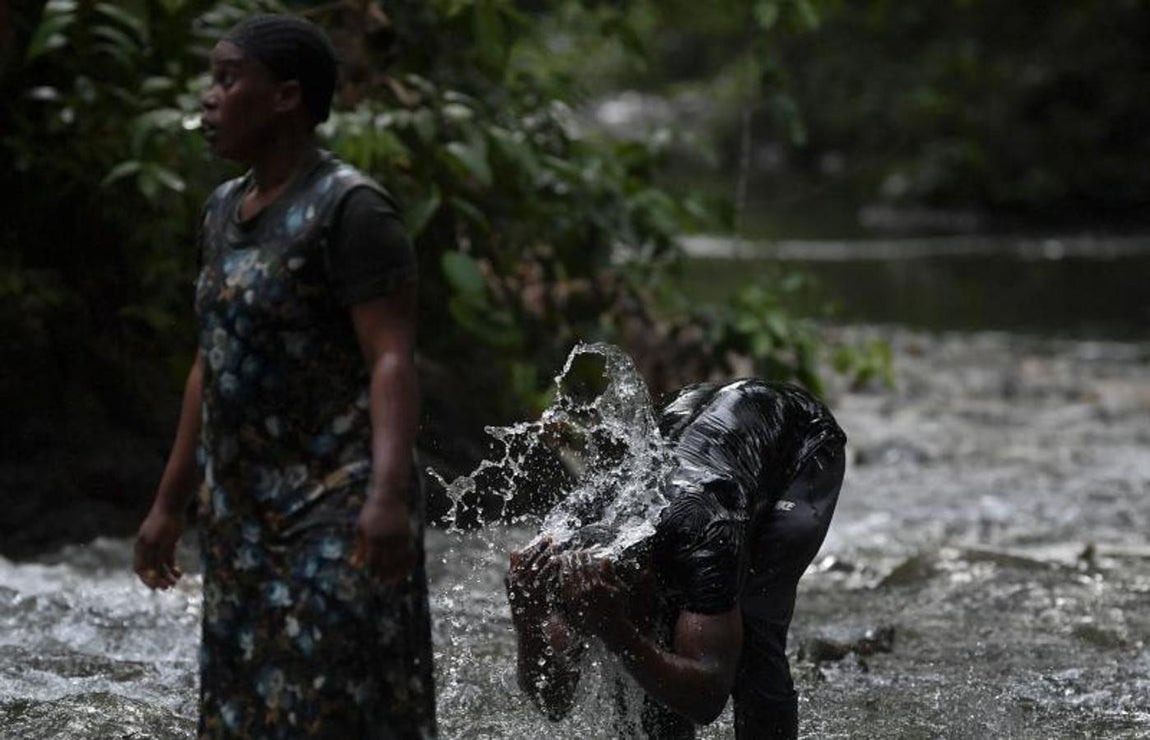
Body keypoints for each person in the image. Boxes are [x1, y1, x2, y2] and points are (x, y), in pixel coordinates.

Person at [132, 14, 436, 738]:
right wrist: (169, 504)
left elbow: (392, 358)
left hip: (337, 505)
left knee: (338, 708)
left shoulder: (350, 210)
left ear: (286, 97)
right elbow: (212, 360)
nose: (208, 97)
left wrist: (387, 494)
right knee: (244, 712)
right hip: (241, 516)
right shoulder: (218, 212)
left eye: (227, 78)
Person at [506, 379, 847, 738]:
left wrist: (616, 629)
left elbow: (707, 700)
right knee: (641, 666)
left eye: (616, 603)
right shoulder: (568, 568)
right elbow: (555, 704)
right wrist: (527, 624)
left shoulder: (704, 536)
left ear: (648, 576)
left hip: (800, 443)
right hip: (694, 436)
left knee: (754, 625)